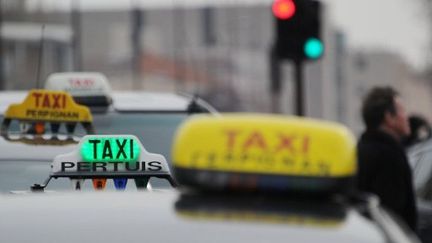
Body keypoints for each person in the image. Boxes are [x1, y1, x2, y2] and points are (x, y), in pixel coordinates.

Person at [357, 86, 417, 231]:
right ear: (389, 117)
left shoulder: (361, 149)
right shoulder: (390, 156)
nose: (406, 117)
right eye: (402, 110)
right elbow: (393, 214)